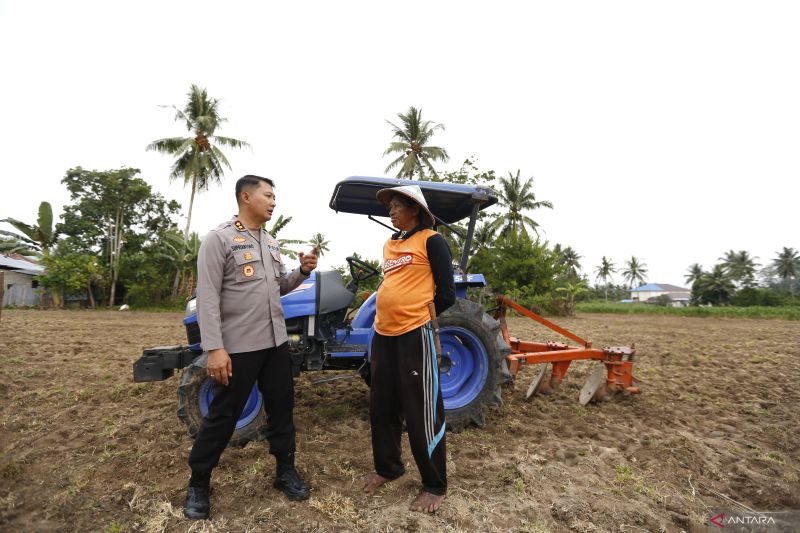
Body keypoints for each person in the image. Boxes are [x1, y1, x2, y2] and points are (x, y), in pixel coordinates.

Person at [184, 175, 318, 520]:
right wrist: (214, 348)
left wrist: (301, 273)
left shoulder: (271, 243)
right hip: (238, 347)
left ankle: (285, 471)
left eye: (275, 197)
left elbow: (278, 287)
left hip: (275, 344)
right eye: (268, 195)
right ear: (246, 197)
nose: (274, 202)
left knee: (282, 409)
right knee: (223, 414)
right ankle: (199, 482)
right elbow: (208, 298)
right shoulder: (219, 239)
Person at [362, 185, 455, 513]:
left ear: (415, 209)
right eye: (390, 206)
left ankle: (434, 483)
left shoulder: (432, 240)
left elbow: (446, 293)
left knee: (422, 409)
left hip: (416, 334)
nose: (391, 210)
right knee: (382, 406)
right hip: (382, 335)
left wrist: (417, 316)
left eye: (397, 205)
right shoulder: (390, 244)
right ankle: (388, 468)